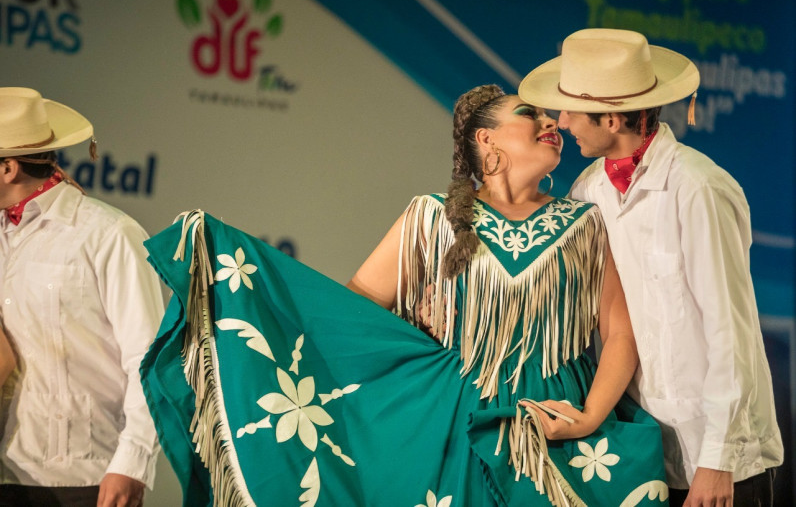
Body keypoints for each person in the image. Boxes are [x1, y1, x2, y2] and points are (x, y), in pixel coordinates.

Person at [141, 84, 669, 506]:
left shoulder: (583, 223)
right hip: (449, 425)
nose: (553, 122)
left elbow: (620, 332)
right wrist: (411, 349)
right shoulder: (429, 218)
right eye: (531, 114)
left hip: (557, 429)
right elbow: (349, 316)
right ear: (486, 140)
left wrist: (591, 416)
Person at [519, 28, 784, 507]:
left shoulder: (697, 188)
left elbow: (731, 331)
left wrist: (716, 461)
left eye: (572, 110)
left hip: (719, 460)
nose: (562, 121)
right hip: (642, 453)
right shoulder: (588, 190)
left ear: (614, 117)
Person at [0, 87, 164, 507]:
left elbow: (149, 359)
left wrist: (132, 461)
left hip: (88, 478)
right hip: (8, 473)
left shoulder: (108, 234)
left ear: (8, 169)